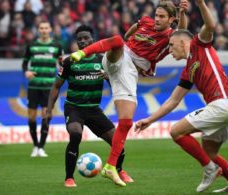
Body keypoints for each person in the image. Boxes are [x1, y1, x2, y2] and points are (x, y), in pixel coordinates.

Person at [70, 0, 188, 186]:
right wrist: (129, 37)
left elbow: (182, 32)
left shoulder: (170, 35)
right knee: (118, 40)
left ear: (171, 19)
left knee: (126, 122)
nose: (157, 19)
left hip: (129, 71)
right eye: (156, 15)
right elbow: (131, 31)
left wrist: (182, 14)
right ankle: (81, 53)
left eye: (162, 17)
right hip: (120, 57)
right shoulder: (146, 21)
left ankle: (110, 167)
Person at [135, 0, 228, 193]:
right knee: (209, 151)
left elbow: (210, 25)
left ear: (183, 43)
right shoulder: (187, 72)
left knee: (176, 132)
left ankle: (209, 169)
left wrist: (200, 3)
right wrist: (149, 120)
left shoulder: (200, 45)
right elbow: (172, 101)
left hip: (222, 105)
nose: (169, 49)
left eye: (171, 45)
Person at [45, 25, 133, 188]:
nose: (83, 41)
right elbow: (56, 86)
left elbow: (116, 84)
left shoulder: (103, 60)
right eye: (80, 39)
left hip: (93, 109)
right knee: (75, 134)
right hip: (74, 108)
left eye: (86, 38)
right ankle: (69, 178)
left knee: (117, 141)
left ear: (93, 39)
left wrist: (107, 76)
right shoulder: (69, 61)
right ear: (76, 43)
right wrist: (49, 110)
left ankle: (119, 170)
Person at [22, 20, 63, 157]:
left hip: (48, 87)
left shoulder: (57, 46)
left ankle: (41, 147)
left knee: (46, 116)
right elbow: (24, 63)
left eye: (46, 28)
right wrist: (26, 72)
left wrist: (60, 77)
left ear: (50, 29)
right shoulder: (31, 45)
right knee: (32, 117)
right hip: (34, 86)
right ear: (38, 30)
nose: (44, 30)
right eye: (41, 28)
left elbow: (62, 64)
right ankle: (35, 145)